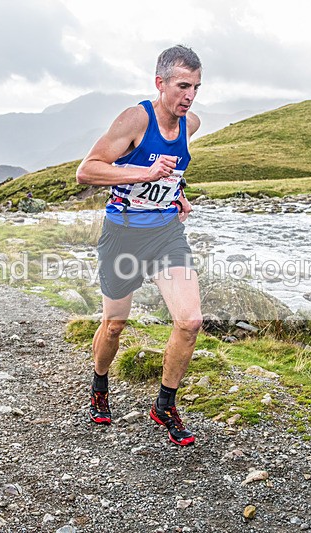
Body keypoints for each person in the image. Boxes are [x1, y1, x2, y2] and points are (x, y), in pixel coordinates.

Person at [76, 45, 203, 446]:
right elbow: (87, 170)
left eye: (196, 87)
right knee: (114, 325)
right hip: (124, 234)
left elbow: (172, 170)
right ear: (160, 83)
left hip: (166, 233)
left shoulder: (191, 124)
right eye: (183, 86)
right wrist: (144, 172)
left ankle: (165, 404)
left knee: (190, 321)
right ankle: (99, 384)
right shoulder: (135, 118)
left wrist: (176, 192)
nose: (190, 96)